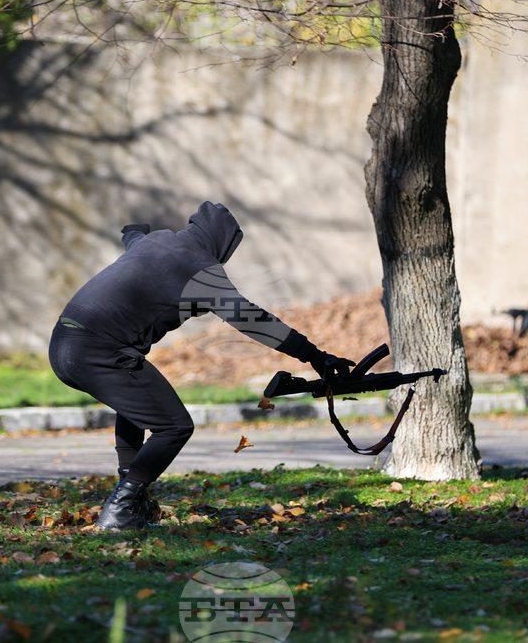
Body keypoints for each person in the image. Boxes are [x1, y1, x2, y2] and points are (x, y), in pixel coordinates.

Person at [48, 202, 354, 530]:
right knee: (174, 426)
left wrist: (134, 229)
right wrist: (315, 356)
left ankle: (133, 500)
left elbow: (133, 239)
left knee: (137, 407)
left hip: (64, 343)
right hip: (99, 351)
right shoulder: (201, 268)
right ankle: (121, 508)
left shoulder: (155, 242)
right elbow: (253, 320)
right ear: (223, 245)